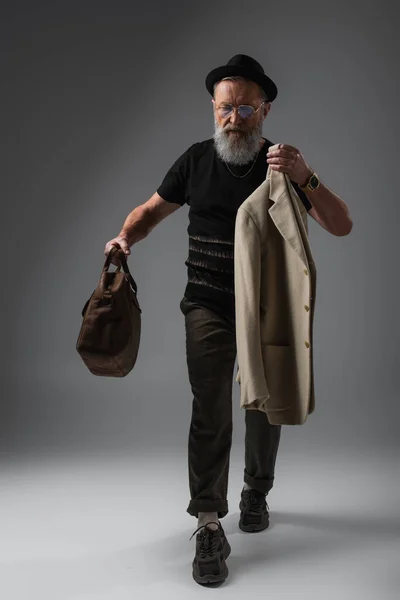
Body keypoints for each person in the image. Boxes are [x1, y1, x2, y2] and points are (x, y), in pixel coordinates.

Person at [104, 54, 353, 585]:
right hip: (207, 305)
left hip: (266, 308)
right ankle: (210, 521)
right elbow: (149, 212)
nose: (233, 119)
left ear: (265, 109)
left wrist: (307, 176)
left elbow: (341, 224)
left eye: (244, 108)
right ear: (212, 109)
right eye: (224, 109)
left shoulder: (282, 166)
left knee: (264, 400)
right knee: (211, 405)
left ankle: (256, 491)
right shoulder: (195, 160)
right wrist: (125, 237)